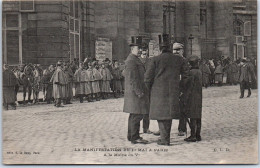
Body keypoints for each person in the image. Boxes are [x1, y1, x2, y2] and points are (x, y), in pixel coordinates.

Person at [144, 36, 189, 146]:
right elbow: (186, 76)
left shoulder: (154, 60)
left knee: (162, 115)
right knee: (168, 114)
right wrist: (181, 88)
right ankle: (165, 137)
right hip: (173, 90)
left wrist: (149, 90)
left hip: (158, 92)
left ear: (160, 48)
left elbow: (147, 78)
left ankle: (165, 139)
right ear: (170, 47)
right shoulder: (179, 59)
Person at [123, 37, 150, 144]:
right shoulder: (131, 60)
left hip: (134, 93)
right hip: (135, 93)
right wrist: (139, 92)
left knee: (134, 114)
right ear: (133, 48)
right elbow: (132, 79)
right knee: (137, 115)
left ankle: (131, 135)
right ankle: (135, 137)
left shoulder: (134, 59)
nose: (140, 50)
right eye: (138, 48)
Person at [182, 55, 203, 142]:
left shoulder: (191, 73)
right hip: (198, 96)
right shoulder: (199, 71)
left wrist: (184, 97)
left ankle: (193, 135)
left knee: (192, 116)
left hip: (192, 97)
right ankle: (198, 135)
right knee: (198, 116)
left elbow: (188, 86)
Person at [172, 42, 187, 137]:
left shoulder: (184, 61)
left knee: (183, 109)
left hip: (181, 88)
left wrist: (183, 89)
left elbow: (186, 76)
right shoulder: (170, 60)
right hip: (171, 88)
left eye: (178, 50)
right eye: (175, 50)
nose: (176, 51)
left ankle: (182, 128)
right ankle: (163, 129)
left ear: (182, 51)